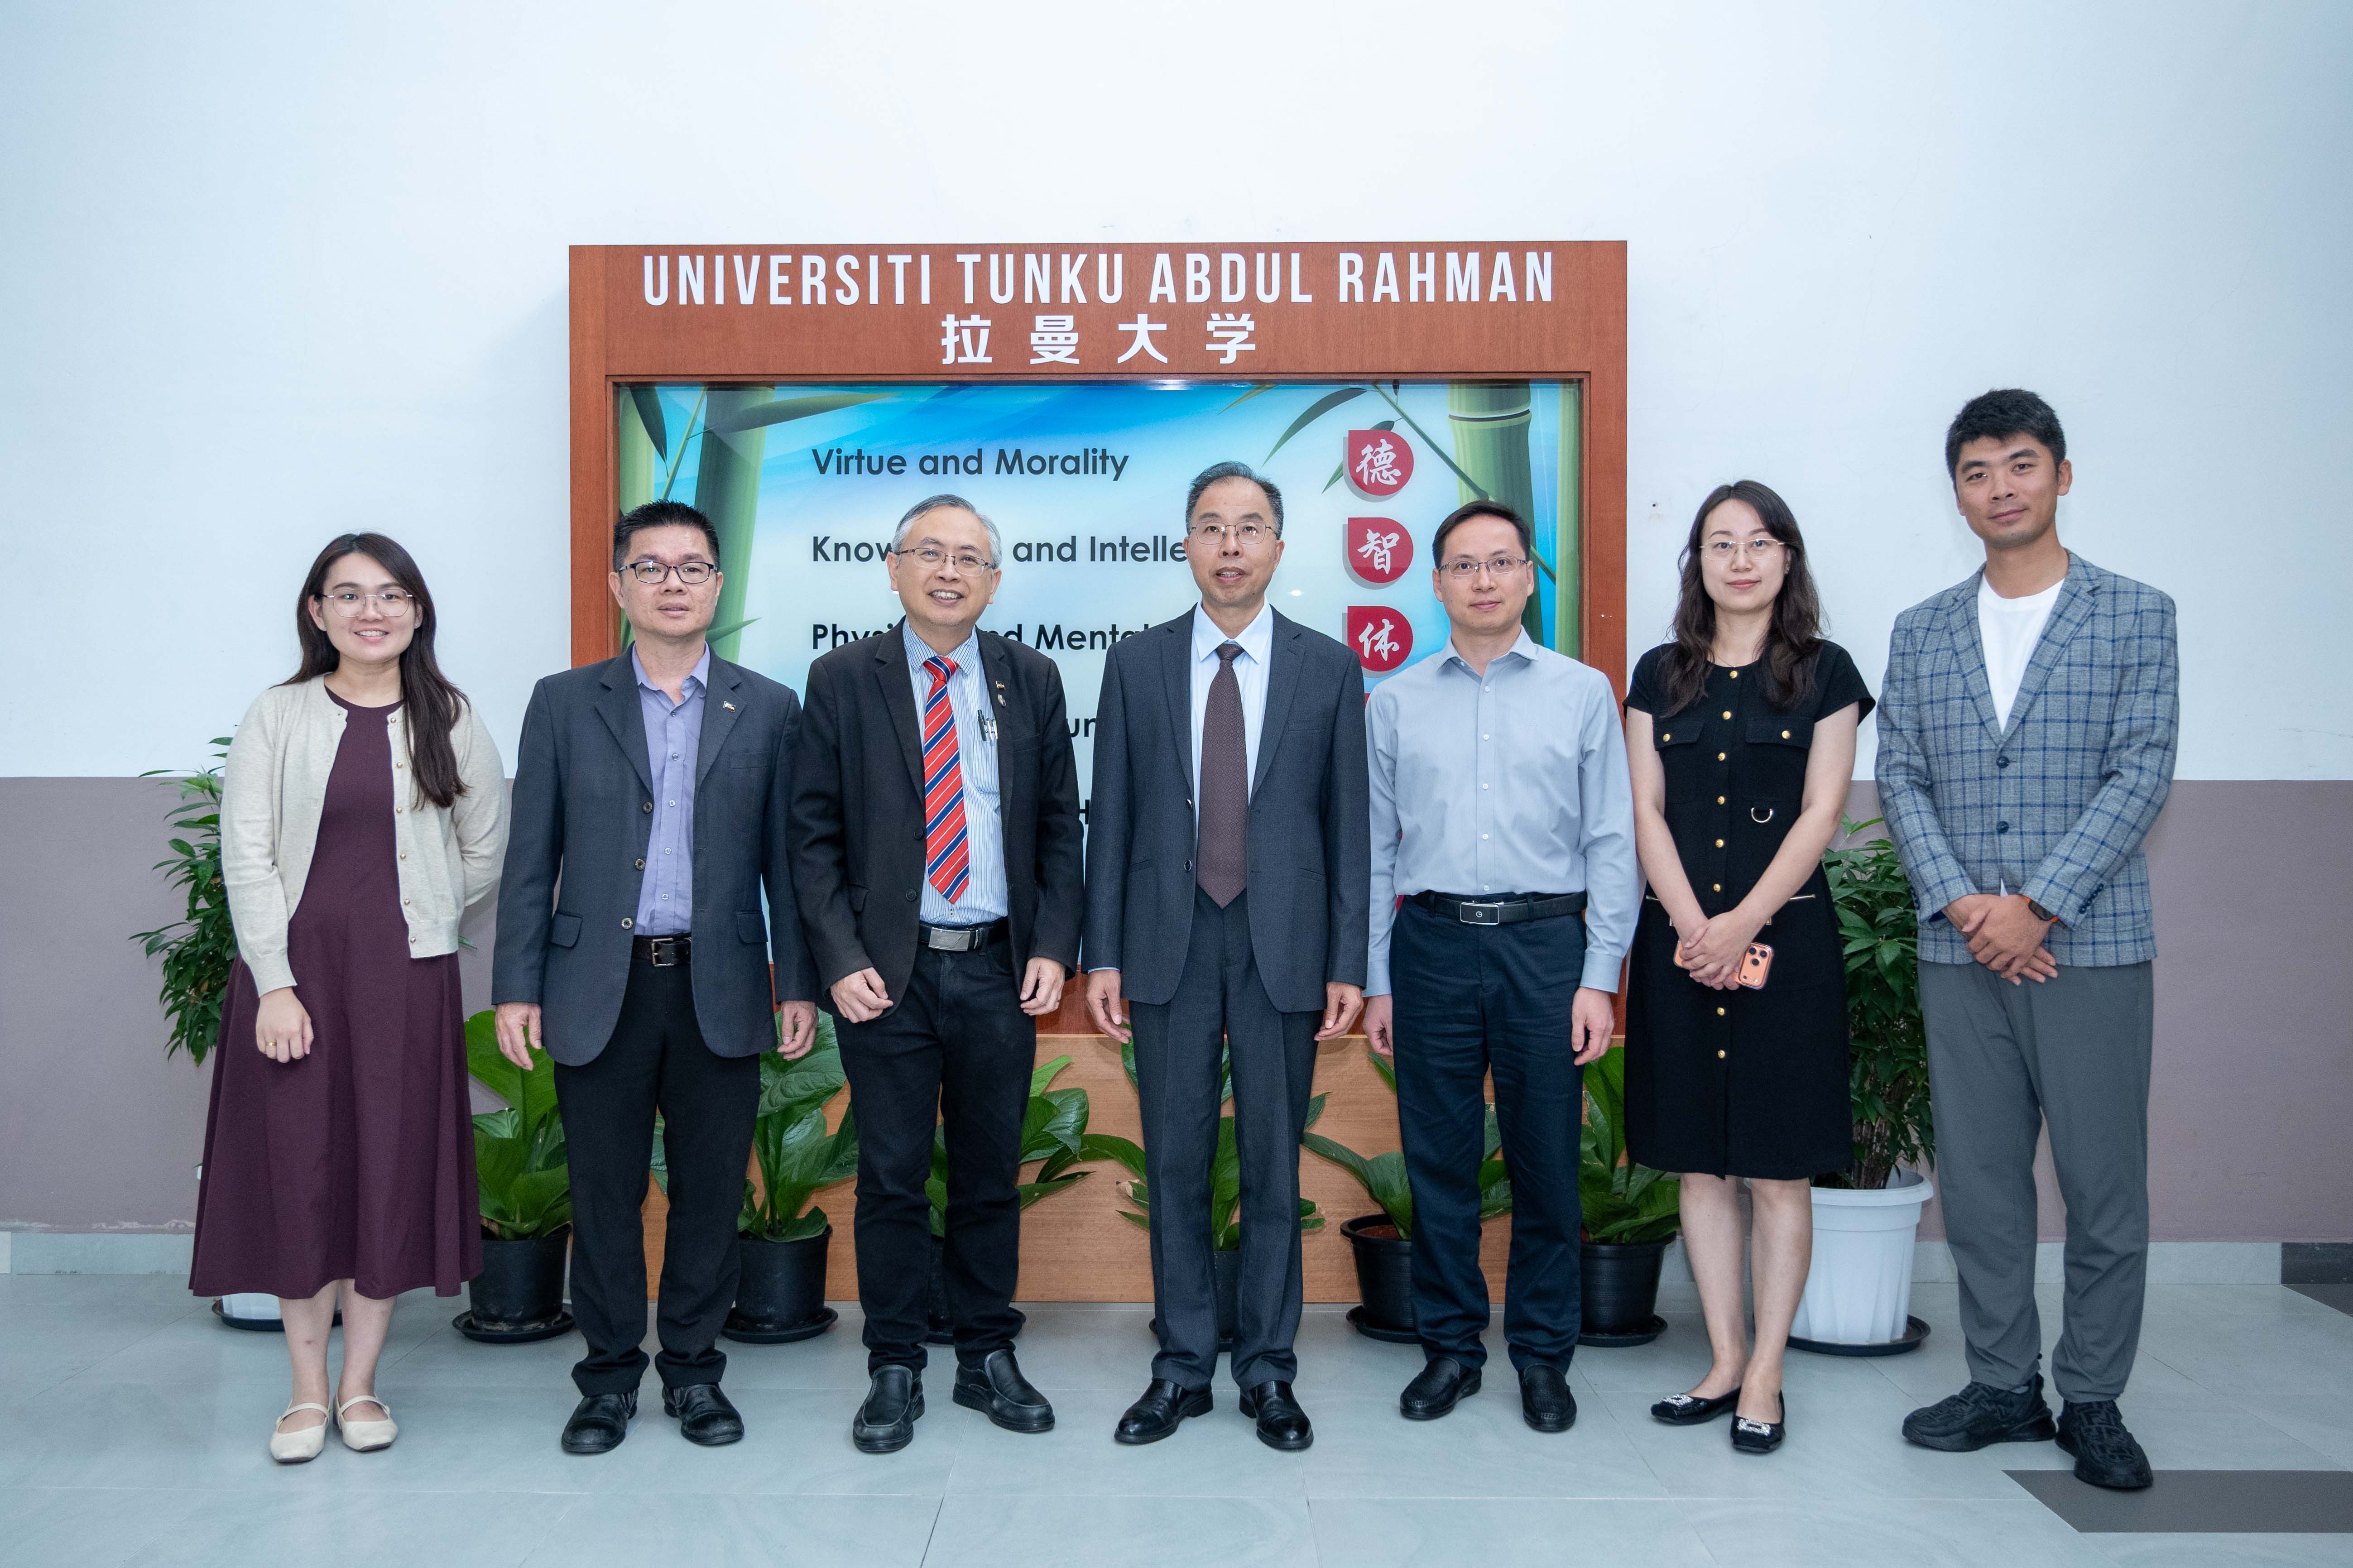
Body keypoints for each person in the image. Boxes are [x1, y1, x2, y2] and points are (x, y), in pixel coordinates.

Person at [1880, 389, 2178, 1491]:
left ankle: (2092, 1397)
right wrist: (1968, 905)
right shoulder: (1923, 629)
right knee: (1984, 1181)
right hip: (1960, 950)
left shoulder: (2137, 613)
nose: (1999, 487)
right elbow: (1902, 776)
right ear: (1956, 493)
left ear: (2060, 473)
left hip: (2090, 944)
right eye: (1976, 471)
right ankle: (2004, 1383)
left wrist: (2038, 904)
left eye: (2019, 464)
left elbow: (2142, 769)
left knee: (2104, 1185)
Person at [493, 499, 819, 1456]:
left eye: (691, 567)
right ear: (619, 584)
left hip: (717, 985)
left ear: (719, 584)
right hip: (600, 985)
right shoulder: (564, 701)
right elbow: (530, 857)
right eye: (652, 567)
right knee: (603, 1191)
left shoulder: (767, 705)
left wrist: (793, 981)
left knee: (712, 1193)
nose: (672, 583)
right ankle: (605, 1380)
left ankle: (692, 1372)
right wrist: (518, 984)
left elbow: (785, 867)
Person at [193, 533, 506, 1463]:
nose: (374, 611)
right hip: (296, 983)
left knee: (387, 1170)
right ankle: (303, 1394)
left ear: (418, 612)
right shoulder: (277, 714)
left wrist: (435, 925)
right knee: (301, 1171)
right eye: (351, 595)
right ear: (316, 612)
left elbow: (484, 848)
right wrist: (276, 983)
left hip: (406, 981)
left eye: (393, 595)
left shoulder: (449, 716)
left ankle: (362, 1387)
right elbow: (245, 856)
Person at [789, 494, 1084, 1453]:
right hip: (889, 974)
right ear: (894, 566)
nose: (949, 570)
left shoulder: (1030, 677)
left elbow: (1057, 830)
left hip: (998, 966)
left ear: (994, 580)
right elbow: (813, 838)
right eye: (931, 552)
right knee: (890, 1178)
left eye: (970, 557)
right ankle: (896, 1362)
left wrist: (1052, 947)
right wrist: (839, 959)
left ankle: (988, 1352)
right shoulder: (841, 678)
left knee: (992, 1174)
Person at [1084, 460, 1369, 1452]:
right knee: (1173, 1158)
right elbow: (1109, 816)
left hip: (1283, 942)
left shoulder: (1330, 668)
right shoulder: (1137, 662)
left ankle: (1268, 1370)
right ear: (1188, 544)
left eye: (1251, 527)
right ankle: (1181, 1365)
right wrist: (1102, 952)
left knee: (1269, 1163)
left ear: (1279, 548)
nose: (1232, 545)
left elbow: (1349, 827)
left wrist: (1349, 960)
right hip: (1168, 939)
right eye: (1213, 526)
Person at [1362, 501, 1637, 1435]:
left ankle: (1543, 1355)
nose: (1483, 579)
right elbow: (1374, 852)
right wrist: (1378, 980)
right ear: (1436, 581)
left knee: (1547, 1164)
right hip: (1431, 943)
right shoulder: (1394, 700)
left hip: (1546, 947)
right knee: (1439, 1161)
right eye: (1463, 564)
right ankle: (1449, 1347)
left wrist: (1600, 974)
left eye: (1502, 562)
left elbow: (1612, 841)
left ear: (1530, 576)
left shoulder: (1582, 692)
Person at [1621, 482, 1872, 1454]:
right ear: (1698, 563)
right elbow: (1646, 809)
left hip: (1787, 945)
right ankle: (1722, 1359)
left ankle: (1767, 1371)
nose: (1740, 559)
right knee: (1698, 1163)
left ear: (1787, 558)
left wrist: (1743, 923)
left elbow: (1822, 811)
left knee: (1775, 1169)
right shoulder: (1660, 674)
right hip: (1681, 943)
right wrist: (1694, 924)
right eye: (1720, 543)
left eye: (1759, 542)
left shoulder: (1826, 673)